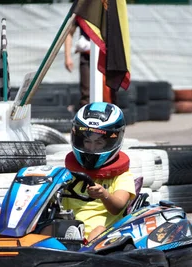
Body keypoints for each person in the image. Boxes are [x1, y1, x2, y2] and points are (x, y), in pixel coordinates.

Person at [62, 102, 135, 242]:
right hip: (69, 229)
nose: (92, 148)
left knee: (98, 231)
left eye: (99, 143)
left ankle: (86, 255)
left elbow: (118, 207)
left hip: (104, 234)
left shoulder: (122, 176)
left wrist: (104, 194)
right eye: (87, 141)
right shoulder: (69, 172)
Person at [64, 19, 117, 110]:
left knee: (111, 91)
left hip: (107, 56)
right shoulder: (83, 8)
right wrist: (67, 56)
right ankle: (86, 121)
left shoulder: (109, 7)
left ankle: (111, 118)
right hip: (87, 56)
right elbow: (69, 32)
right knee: (86, 93)